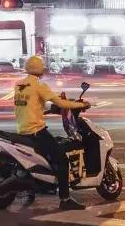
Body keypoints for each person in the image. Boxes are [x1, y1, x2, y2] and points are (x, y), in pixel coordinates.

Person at [13, 55, 90, 210]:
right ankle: (65, 198)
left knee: (45, 157)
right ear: (40, 69)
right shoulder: (39, 85)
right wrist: (80, 105)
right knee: (62, 160)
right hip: (36, 131)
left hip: (22, 130)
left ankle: (34, 189)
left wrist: (46, 111)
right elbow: (60, 103)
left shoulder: (19, 84)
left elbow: (29, 105)